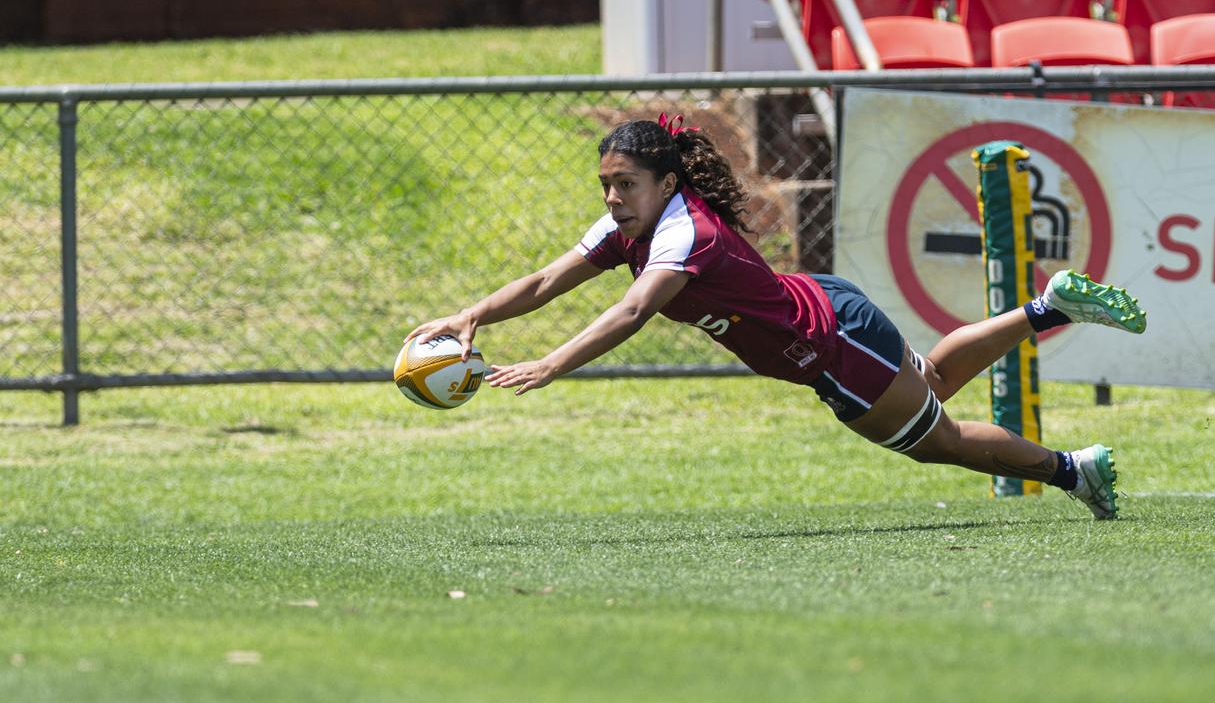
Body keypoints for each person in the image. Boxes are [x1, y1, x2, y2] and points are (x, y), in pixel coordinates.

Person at [404, 114, 1147, 520]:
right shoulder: (635, 224)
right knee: (931, 381)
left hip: (829, 346)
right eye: (605, 184)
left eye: (624, 183)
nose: (610, 197)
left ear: (666, 181)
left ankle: (1073, 470)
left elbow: (633, 310)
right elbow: (545, 278)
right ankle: (1047, 307)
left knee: (937, 441)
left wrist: (552, 364)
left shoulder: (681, 233)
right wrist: (472, 316)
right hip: (834, 312)